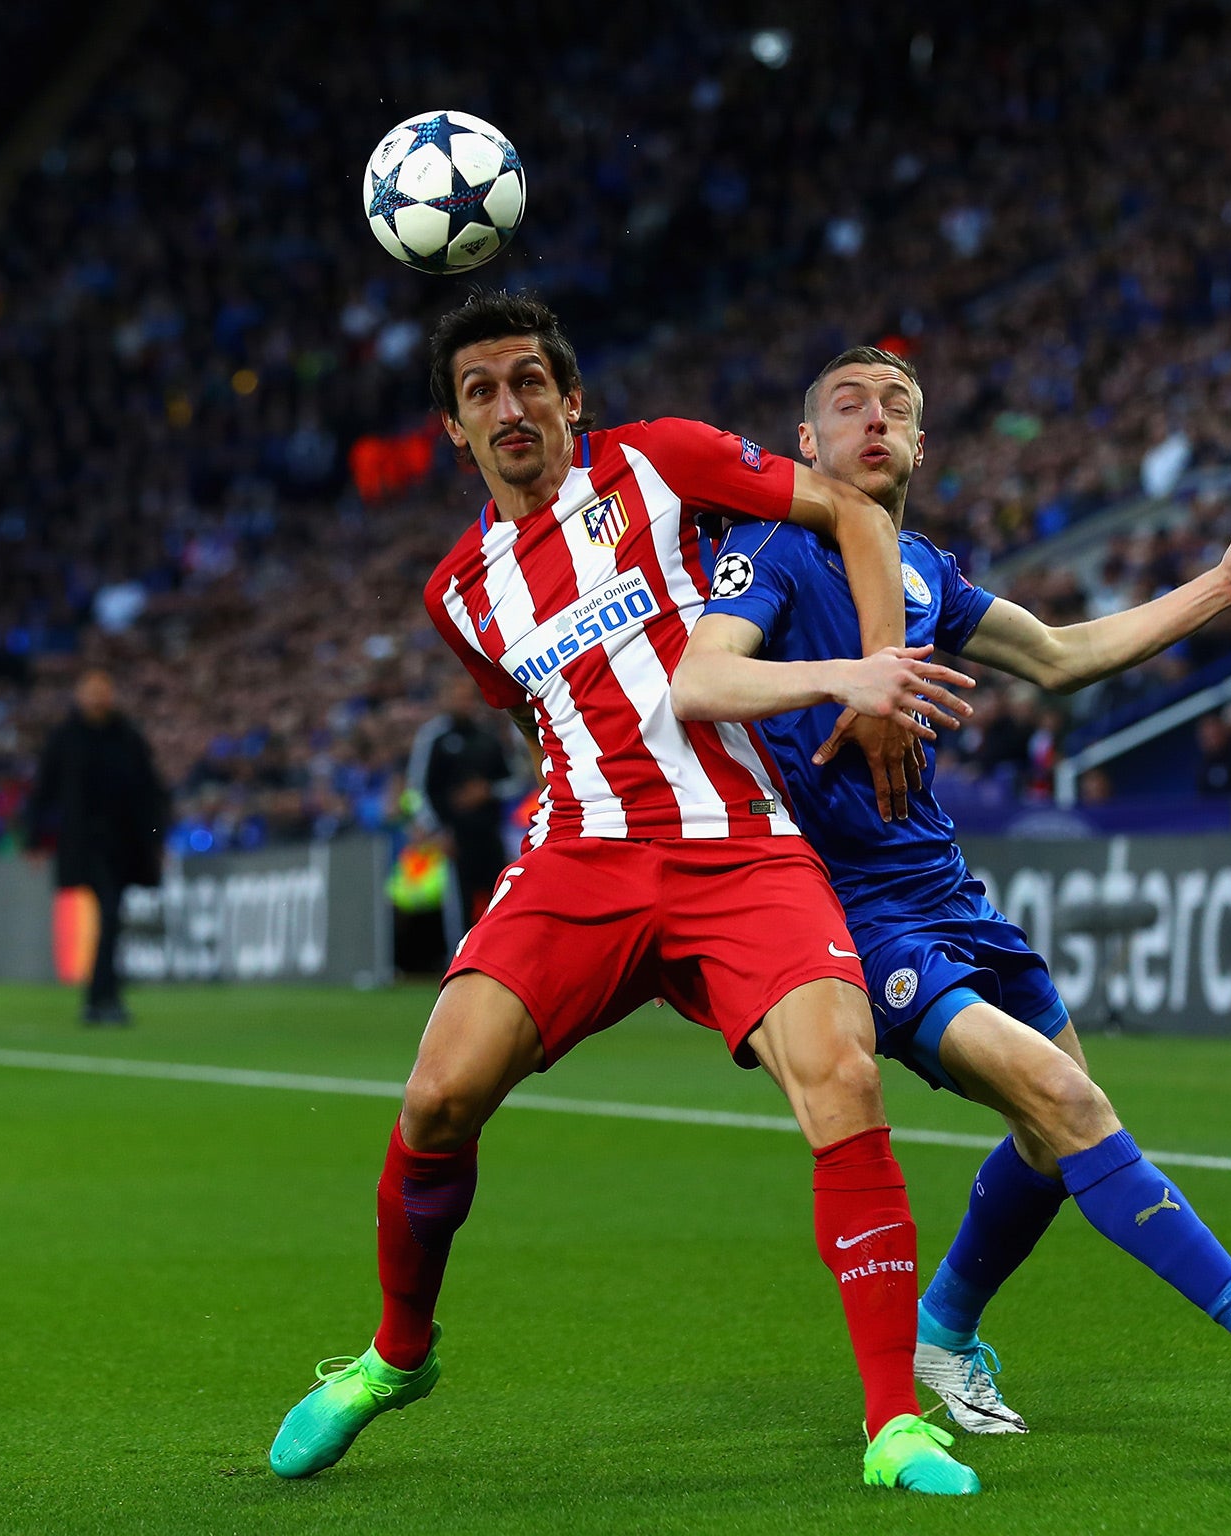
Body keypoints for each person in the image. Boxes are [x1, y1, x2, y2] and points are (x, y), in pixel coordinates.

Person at [268, 294, 982, 1496]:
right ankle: (396, 1357)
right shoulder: (460, 595)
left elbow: (854, 511)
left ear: (570, 398)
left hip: (735, 846)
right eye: (483, 390)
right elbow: (541, 715)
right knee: (437, 1097)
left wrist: (876, 676)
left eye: (529, 381)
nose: (511, 405)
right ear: (453, 427)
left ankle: (889, 1422)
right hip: (579, 859)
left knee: (843, 1076)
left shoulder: (660, 460)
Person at [675, 345, 1231, 1437]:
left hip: (949, 889)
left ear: (918, 442)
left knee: (1055, 1143)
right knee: (1069, 1103)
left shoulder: (920, 569)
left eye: (896, 407)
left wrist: (1217, 587)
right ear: (804, 444)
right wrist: (841, 678)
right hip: (850, 909)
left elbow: (1056, 654)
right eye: (846, 407)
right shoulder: (774, 547)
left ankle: (942, 1336)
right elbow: (701, 679)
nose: (874, 421)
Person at [26, 670, 168, 1025]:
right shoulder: (65, 739)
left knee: (112, 916)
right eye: (91, 692)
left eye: (103, 691)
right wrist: (35, 839)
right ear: (79, 696)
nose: (98, 698)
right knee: (108, 914)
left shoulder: (128, 737)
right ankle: (103, 997)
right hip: (83, 844)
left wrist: (154, 838)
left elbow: (150, 792)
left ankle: (101, 997)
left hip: (123, 843)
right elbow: (44, 790)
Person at [403, 674, 515, 955]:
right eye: (456, 695)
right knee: (459, 905)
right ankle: (458, 961)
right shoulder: (434, 737)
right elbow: (418, 789)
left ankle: (501, 958)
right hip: (455, 836)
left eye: (467, 695)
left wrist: (487, 790)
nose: (463, 701)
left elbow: (513, 780)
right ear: (444, 699)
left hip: (489, 833)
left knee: (500, 899)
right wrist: (437, 831)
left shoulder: (488, 736)